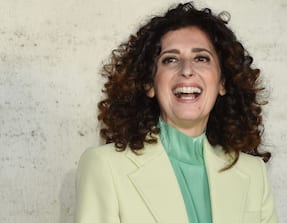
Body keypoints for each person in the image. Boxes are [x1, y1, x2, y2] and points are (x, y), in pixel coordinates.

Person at [74, 2, 278, 223]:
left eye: (201, 58)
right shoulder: (105, 167)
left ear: (222, 82)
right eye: (170, 59)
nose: (187, 70)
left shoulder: (253, 174)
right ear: (149, 84)